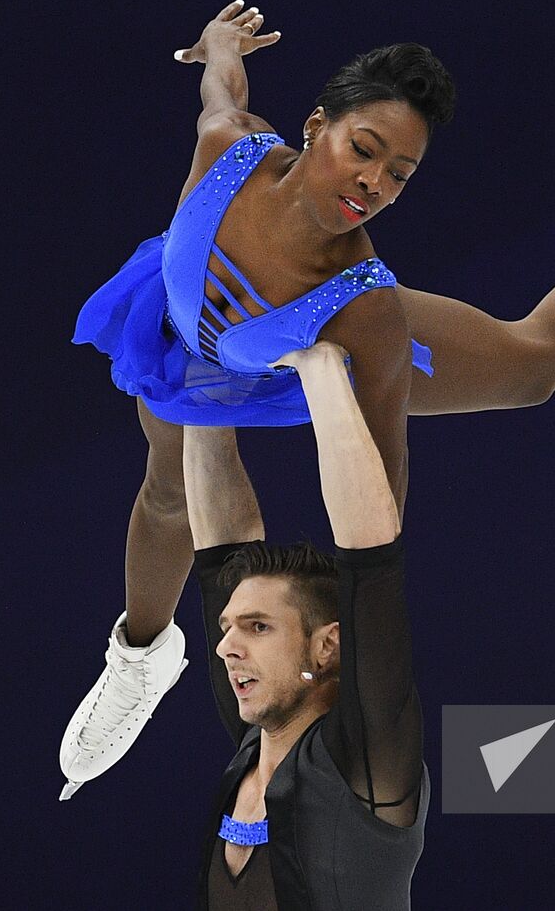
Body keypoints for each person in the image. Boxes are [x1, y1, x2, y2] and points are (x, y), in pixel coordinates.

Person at [61, 0, 555, 792]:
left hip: (297, 346)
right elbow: (221, 89)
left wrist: (357, 637)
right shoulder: (229, 147)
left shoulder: (366, 313)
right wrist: (221, 43)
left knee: (531, 364)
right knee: (163, 493)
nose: (374, 184)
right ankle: (139, 663)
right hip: (176, 323)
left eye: (400, 175)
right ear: (315, 125)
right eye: (364, 150)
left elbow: (380, 488)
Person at [191, 339, 424, 909]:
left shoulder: (370, 762)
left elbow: (371, 565)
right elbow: (219, 549)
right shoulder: (255, 741)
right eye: (228, 627)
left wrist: (318, 365)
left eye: (258, 627)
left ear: (327, 647)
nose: (226, 648)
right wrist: (199, 375)